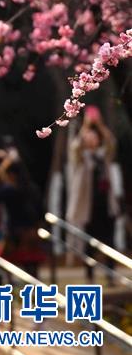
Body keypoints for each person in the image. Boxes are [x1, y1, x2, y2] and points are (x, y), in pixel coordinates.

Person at [66, 109, 121, 255]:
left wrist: (99, 124)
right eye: (88, 138)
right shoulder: (82, 159)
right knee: (89, 242)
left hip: (106, 204)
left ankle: (111, 273)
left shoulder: (103, 157)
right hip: (88, 206)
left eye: (94, 137)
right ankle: (90, 275)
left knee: (109, 240)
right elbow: (75, 147)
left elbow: (111, 143)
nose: (91, 139)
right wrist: (85, 126)